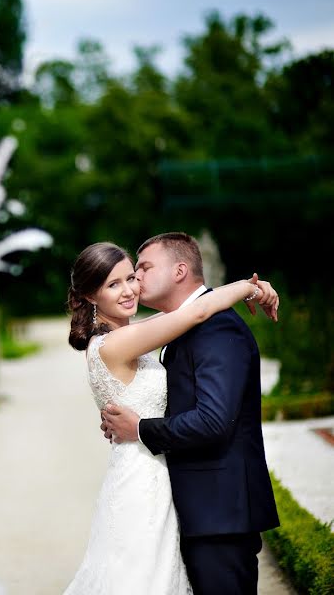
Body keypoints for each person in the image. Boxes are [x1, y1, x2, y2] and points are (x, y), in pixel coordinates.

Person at [63, 237, 279, 595]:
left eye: (133, 275)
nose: (131, 288)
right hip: (144, 479)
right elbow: (192, 312)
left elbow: (190, 311)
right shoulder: (118, 342)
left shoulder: (139, 332)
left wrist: (140, 426)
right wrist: (247, 286)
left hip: (178, 485)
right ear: (89, 296)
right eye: (113, 284)